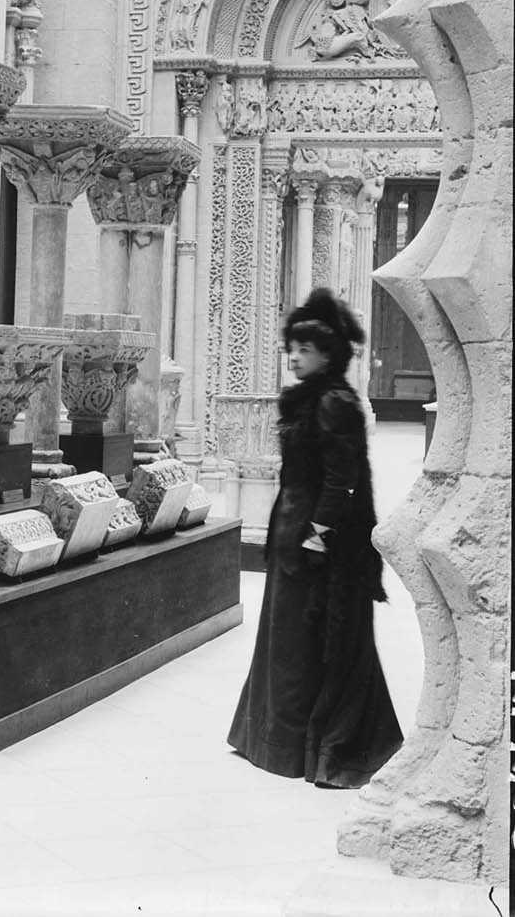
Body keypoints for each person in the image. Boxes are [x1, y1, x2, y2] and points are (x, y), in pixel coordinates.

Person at [227, 287, 402, 789]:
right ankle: (273, 741)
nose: (295, 357)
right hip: (293, 527)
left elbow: (342, 478)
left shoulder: (334, 402)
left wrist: (318, 535)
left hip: (318, 540)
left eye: (305, 350)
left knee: (315, 640)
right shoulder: (311, 400)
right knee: (286, 638)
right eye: (294, 348)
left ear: (328, 355)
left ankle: (323, 749)